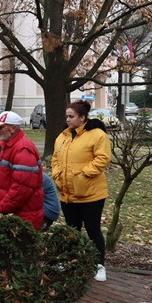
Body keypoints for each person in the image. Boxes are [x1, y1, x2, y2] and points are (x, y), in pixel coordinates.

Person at [51, 100, 111, 282]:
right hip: (67, 193)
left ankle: (98, 265)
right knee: (71, 230)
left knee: (93, 230)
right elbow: (55, 158)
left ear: (82, 118)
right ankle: (71, 260)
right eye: (67, 116)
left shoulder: (97, 135)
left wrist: (84, 174)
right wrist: (57, 173)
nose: (68, 120)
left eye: (71, 116)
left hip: (91, 194)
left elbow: (103, 158)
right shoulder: (63, 136)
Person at [0, 111, 44, 230]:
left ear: (13, 128)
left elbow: (22, 188)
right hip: (15, 213)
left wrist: (3, 207)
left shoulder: (22, 149)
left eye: (0, 127)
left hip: (23, 216)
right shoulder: (9, 146)